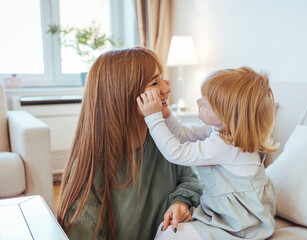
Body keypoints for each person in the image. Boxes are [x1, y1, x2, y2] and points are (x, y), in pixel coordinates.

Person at [56, 47, 203, 240]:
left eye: (163, 79)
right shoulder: (91, 167)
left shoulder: (164, 139)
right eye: (155, 82)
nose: (167, 89)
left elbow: (191, 180)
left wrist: (180, 202)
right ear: (123, 94)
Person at [137, 66, 279, 240]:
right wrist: (164, 113)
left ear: (225, 113)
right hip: (227, 213)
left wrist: (152, 117)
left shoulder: (227, 144)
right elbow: (182, 135)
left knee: (168, 235)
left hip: (240, 222)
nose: (197, 102)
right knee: (165, 231)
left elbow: (177, 153)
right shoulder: (220, 130)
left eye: (204, 102)